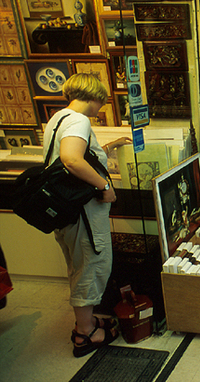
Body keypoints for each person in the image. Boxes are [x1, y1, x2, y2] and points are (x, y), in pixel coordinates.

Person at [43, 73, 131, 357]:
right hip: (84, 213)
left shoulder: (59, 119)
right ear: (93, 97)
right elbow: (71, 159)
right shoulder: (80, 120)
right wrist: (104, 185)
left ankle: (86, 321)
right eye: (100, 101)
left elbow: (77, 156)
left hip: (67, 213)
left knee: (78, 266)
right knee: (92, 267)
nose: (100, 107)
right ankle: (86, 334)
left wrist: (110, 146)